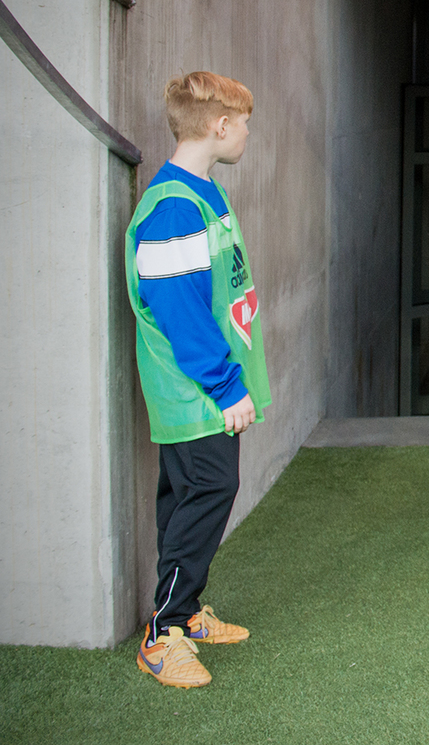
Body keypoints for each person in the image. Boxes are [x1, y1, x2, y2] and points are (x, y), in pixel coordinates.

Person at [127, 72, 272, 688]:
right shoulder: (174, 207)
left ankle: (185, 612)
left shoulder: (203, 190)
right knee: (209, 489)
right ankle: (164, 633)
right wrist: (225, 386)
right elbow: (180, 312)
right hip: (193, 389)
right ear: (220, 125)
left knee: (188, 494)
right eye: (244, 124)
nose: (246, 135)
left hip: (205, 385)